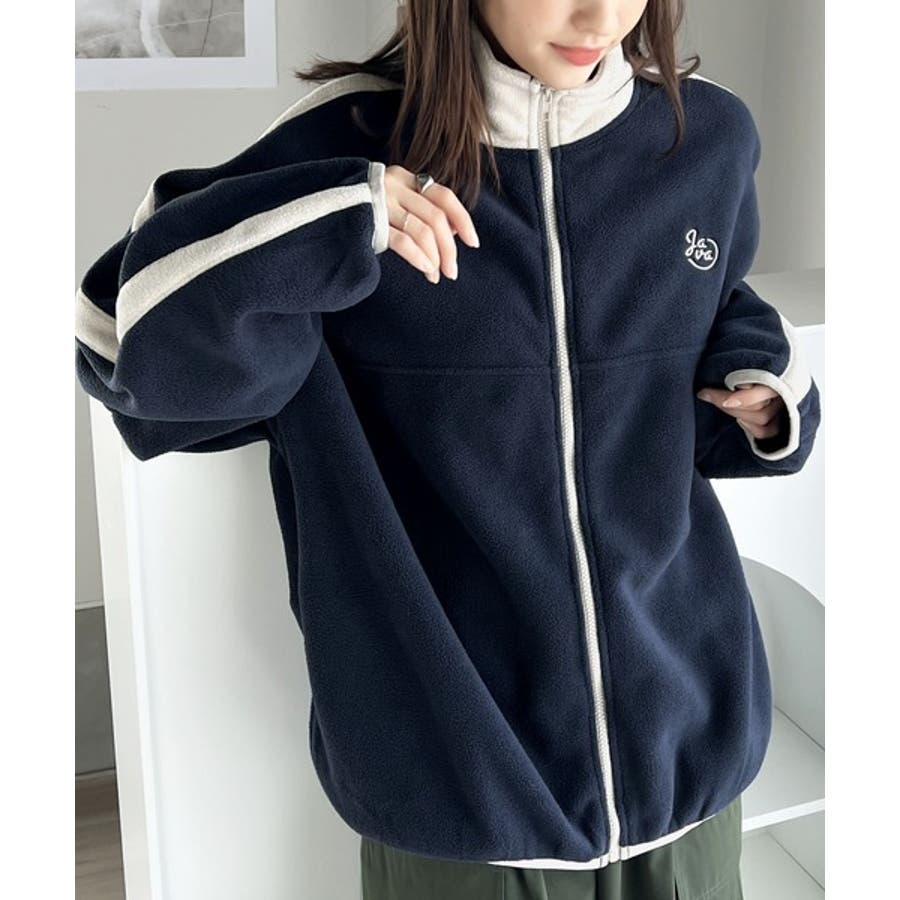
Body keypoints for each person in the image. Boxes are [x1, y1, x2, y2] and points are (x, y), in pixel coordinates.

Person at [74, 0, 821, 898]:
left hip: (690, 759)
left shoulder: (704, 138)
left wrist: (768, 389)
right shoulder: (348, 142)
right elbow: (118, 343)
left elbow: (714, 312)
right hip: (459, 789)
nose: (601, 16)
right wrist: (333, 222)